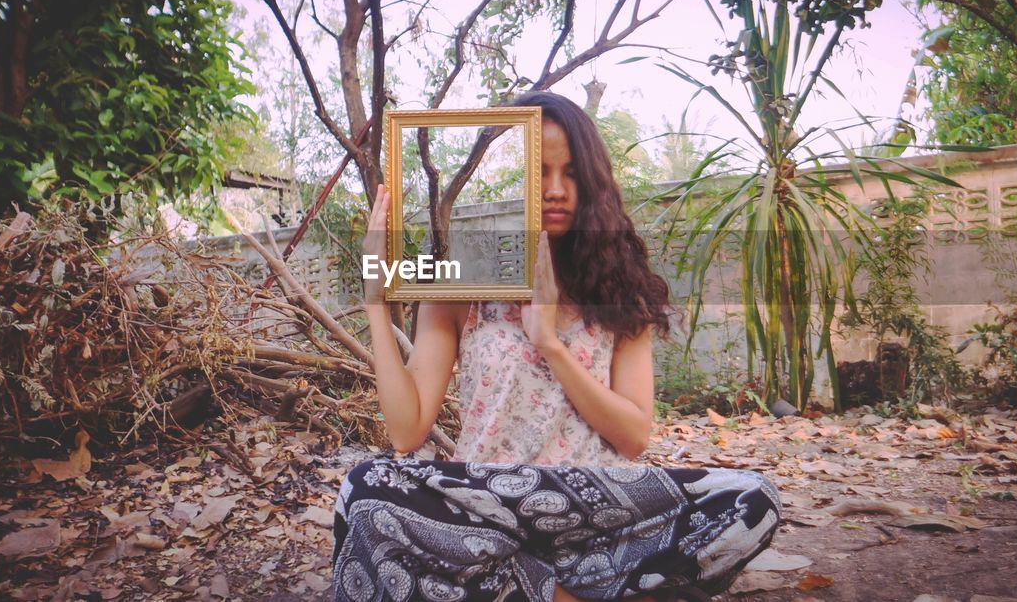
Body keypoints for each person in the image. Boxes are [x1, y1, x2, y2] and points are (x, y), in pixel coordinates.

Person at [331, 92, 782, 601]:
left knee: (752, 498)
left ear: (592, 183)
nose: (555, 189)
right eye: (539, 171)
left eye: (570, 173)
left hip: (595, 515)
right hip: (490, 509)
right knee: (364, 493)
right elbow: (406, 430)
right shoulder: (461, 287)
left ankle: (529, 589)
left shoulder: (619, 290)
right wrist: (375, 296)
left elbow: (635, 436)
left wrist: (549, 342)